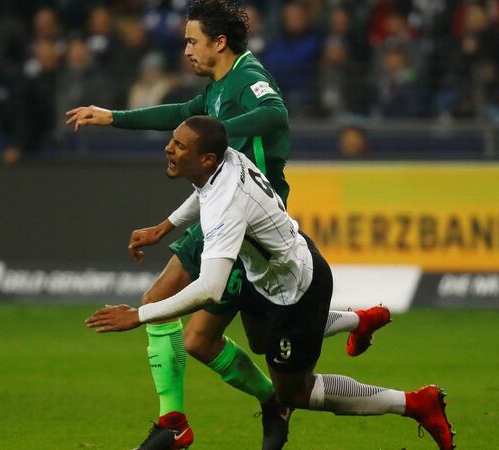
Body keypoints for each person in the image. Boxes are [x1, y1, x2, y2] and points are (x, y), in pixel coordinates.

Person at [67, 1, 389, 448]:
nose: (185, 50)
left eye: (192, 40)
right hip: (223, 212)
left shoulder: (248, 78)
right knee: (221, 340)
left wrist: (216, 130)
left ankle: (176, 423)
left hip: (247, 223)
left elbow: (275, 113)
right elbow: (182, 115)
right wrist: (113, 117)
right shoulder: (217, 85)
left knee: (167, 305)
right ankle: (340, 336)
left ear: (219, 42)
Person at [86, 116, 455, 450]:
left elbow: (210, 288)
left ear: (207, 159)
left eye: (180, 146)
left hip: (294, 295)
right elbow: (204, 193)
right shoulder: (226, 161)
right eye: (173, 139)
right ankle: (360, 320)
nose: (169, 147)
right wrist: (164, 228)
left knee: (296, 392)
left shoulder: (227, 206)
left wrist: (140, 315)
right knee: (220, 340)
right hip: (268, 273)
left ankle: (415, 403)